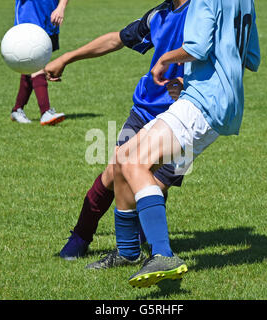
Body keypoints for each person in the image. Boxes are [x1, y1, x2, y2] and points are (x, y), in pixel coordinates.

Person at [110, 0, 261, 288]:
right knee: (123, 157)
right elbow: (249, 57)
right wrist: (195, 77)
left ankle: (163, 255)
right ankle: (128, 252)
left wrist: (165, 59)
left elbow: (198, 48)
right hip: (220, 100)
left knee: (134, 163)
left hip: (203, 102)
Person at [44, 0, 191, 264]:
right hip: (144, 111)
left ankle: (144, 244)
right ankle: (81, 236)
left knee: (152, 185)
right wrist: (67, 58)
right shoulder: (159, 14)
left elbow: (222, 58)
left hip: (184, 117)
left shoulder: (204, 12)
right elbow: (117, 39)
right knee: (114, 173)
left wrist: (186, 82)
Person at [10, 0, 69, 126]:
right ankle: (45, 112)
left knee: (31, 66)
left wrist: (61, 6)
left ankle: (17, 110)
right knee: (35, 63)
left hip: (49, 18)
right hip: (28, 20)